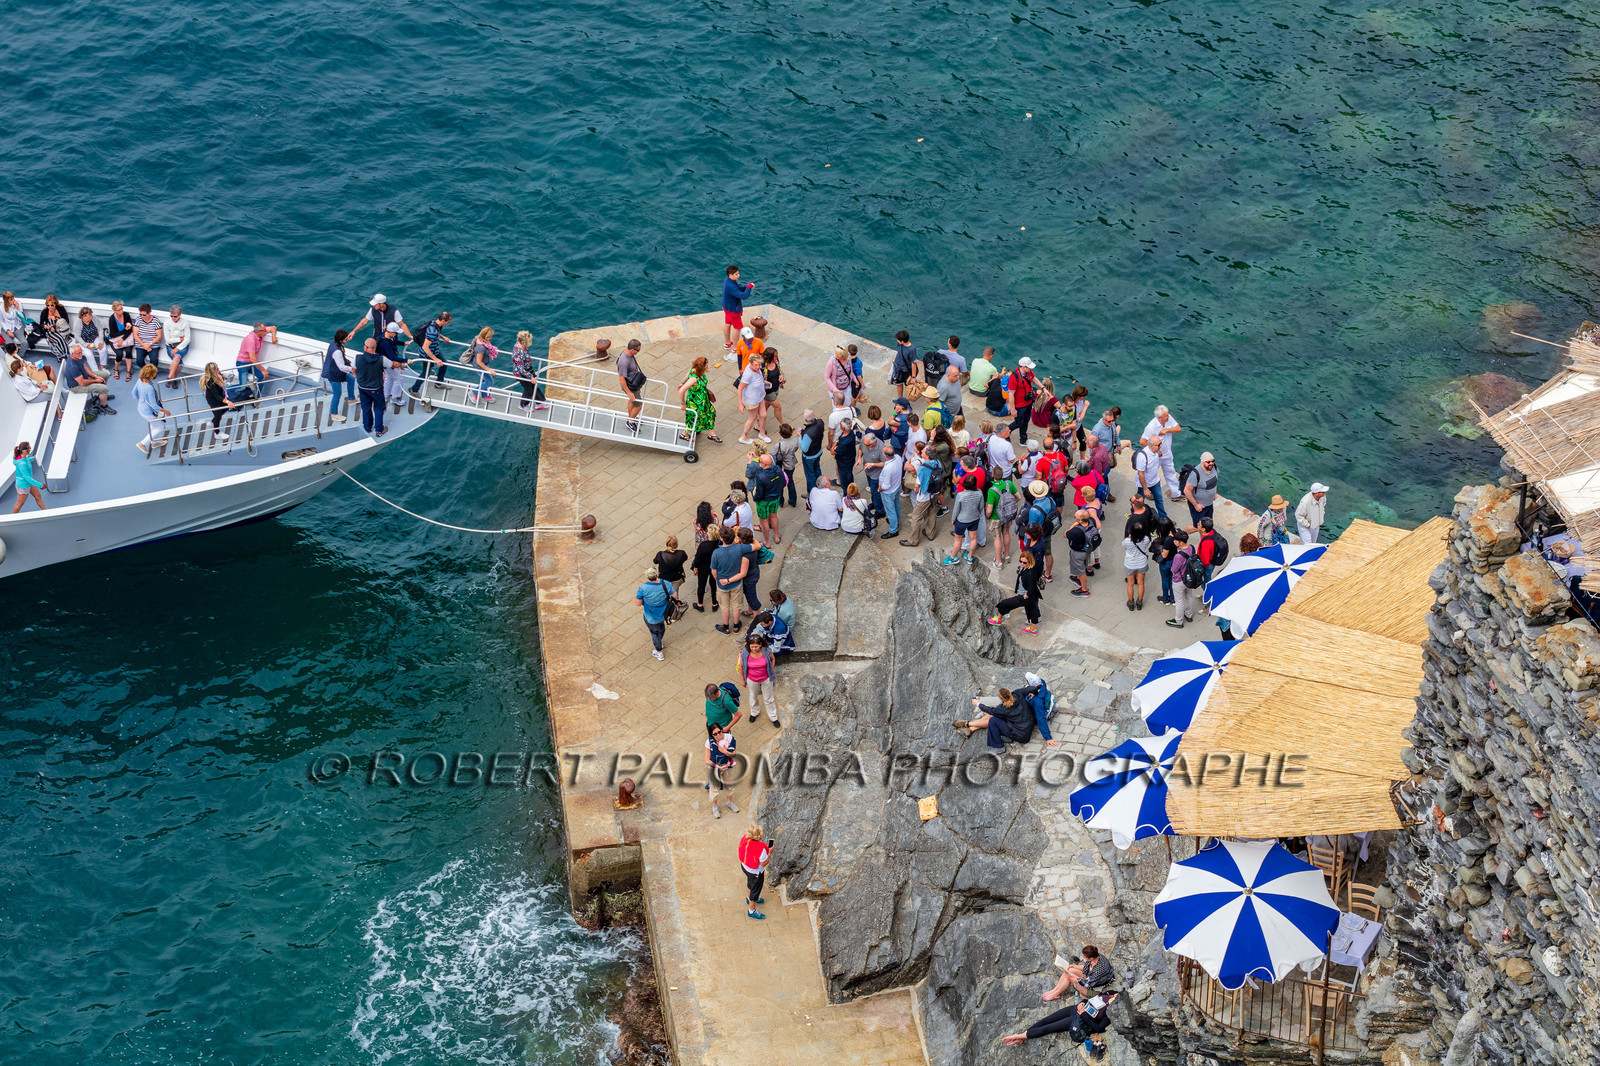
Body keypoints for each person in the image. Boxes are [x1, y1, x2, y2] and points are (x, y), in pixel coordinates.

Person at [1001, 991, 1120, 1053]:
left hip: (1077, 1020)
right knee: (1046, 1020)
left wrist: (1083, 1014)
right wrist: (1082, 1003)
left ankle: (1019, 1036)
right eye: (1116, 994)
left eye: (1117, 997)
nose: (1116, 995)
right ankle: (1023, 1035)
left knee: (1048, 1028)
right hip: (1074, 1009)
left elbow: (1099, 1028)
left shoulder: (1110, 1012)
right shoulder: (1109, 994)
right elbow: (1091, 999)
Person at [952, 688, 1053, 750]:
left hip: (1019, 735)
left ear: (1001, 698)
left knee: (993, 719)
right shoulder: (1018, 694)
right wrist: (1034, 693)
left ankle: (969, 725)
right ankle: (970, 729)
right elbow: (1033, 688)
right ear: (1009, 692)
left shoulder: (1003, 709)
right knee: (995, 714)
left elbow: (990, 710)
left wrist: (977, 704)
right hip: (1025, 726)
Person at [1217, 533, 1261, 640]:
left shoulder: (1238, 563)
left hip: (1238, 603)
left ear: (1242, 546)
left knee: (1228, 635)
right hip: (1254, 602)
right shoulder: (1262, 559)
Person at [898, 442, 942, 547]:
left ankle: (913, 540)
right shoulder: (937, 462)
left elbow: (917, 484)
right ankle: (930, 533)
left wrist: (915, 487)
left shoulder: (923, 468)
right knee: (932, 512)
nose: (921, 451)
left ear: (927, 455)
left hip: (924, 496)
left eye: (923, 451)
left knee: (916, 518)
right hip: (934, 492)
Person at [988, 550, 1042, 633]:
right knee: (1032, 610)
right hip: (1031, 595)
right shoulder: (1030, 568)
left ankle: (998, 619)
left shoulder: (1029, 573)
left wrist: (1026, 595)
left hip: (1025, 595)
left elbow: (1031, 586)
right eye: (1021, 561)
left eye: (1024, 562)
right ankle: (1033, 629)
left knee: (1005, 603)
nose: (1022, 564)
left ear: (1029, 562)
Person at [711, 526, 750, 635]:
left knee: (724, 607)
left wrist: (717, 579)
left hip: (722, 585)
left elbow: (714, 571)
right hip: (736, 583)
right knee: (736, 606)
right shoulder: (740, 548)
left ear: (721, 539)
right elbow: (756, 546)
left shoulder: (716, 553)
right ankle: (736, 627)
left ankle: (726, 627)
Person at [1045, 945, 1116, 1002]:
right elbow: (1087, 967)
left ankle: (1055, 994)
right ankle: (1054, 991)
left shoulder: (1099, 970)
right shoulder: (1097, 956)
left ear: (1091, 958)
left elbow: (1087, 984)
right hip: (1090, 978)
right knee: (1069, 970)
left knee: (1068, 977)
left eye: (1085, 957)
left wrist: (1073, 979)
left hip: (1093, 990)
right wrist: (1074, 966)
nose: (1083, 957)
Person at [408, 310, 454, 399]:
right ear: (443, 320)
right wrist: (436, 359)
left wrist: (443, 337)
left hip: (435, 351)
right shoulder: (432, 331)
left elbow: (436, 333)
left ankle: (439, 383)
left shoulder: (435, 322)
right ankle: (414, 390)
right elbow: (425, 347)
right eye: (448, 322)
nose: (449, 323)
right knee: (426, 373)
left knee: (444, 364)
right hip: (427, 354)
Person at [1141, 405, 1183, 499]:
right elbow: (1142, 441)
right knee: (1151, 474)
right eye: (1166, 416)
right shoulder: (1151, 427)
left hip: (1167, 453)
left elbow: (1178, 429)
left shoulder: (1168, 419)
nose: (1168, 416)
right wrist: (1156, 452)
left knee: (1171, 472)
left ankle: (1176, 494)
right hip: (1156, 456)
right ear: (1160, 418)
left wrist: (1167, 430)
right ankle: (1147, 492)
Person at [739, 634, 780, 726]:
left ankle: (773, 717)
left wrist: (771, 670)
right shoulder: (745, 653)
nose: (754, 649)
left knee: (769, 698)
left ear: (760, 644)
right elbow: (741, 666)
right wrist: (743, 679)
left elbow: (772, 659)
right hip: (752, 679)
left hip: (766, 678)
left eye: (756, 646)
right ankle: (754, 712)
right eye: (752, 647)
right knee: (753, 697)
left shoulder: (767, 650)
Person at [677, 355, 720, 443]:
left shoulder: (695, 370)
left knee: (710, 413)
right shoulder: (694, 379)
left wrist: (682, 383)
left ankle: (712, 433)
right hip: (695, 403)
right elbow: (681, 391)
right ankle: (684, 434)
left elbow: (686, 375)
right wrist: (683, 403)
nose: (707, 366)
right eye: (706, 365)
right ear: (702, 366)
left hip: (703, 401)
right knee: (694, 418)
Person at [635, 564, 673, 660]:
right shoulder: (665, 584)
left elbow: (638, 603)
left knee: (655, 633)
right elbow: (675, 595)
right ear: (657, 575)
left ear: (647, 577)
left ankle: (659, 652)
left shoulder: (643, 588)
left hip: (650, 616)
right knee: (661, 627)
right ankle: (660, 641)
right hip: (664, 613)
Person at [132, 364, 172, 456]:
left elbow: (134, 393)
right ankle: (143, 443)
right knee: (160, 427)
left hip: (141, 408)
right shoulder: (149, 388)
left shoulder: (139, 380)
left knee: (153, 425)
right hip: (148, 412)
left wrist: (140, 399)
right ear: (151, 375)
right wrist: (165, 411)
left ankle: (154, 443)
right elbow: (154, 405)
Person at [945, 474, 984, 564]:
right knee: (973, 538)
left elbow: (956, 509)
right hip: (974, 519)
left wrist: (953, 519)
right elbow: (981, 507)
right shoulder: (979, 493)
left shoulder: (960, 495)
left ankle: (952, 558)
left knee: (958, 539)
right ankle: (969, 557)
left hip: (961, 520)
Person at [692, 502, 723, 614]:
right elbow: (718, 526)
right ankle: (715, 603)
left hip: (703, 565)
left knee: (701, 585)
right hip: (714, 563)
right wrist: (715, 516)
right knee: (713, 584)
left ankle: (700, 604)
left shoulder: (697, 523)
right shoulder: (715, 522)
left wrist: (695, 567)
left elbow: (697, 559)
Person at [1023, 480, 1058, 583]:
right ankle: (1048, 574)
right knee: (1048, 554)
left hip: (1037, 537)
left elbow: (1031, 527)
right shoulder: (1051, 500)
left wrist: (1026, 540)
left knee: (1034, 558)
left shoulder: (1034, 510)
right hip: (1047, 533)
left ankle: (1033, 575)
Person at [986, 466, 1020, 567]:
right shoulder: (1009, 483)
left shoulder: (991, 491)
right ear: (1002, 475)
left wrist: (987, 516)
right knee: (1006, 533)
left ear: (992, 475)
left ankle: (998, 562)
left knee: (997, 538)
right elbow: (1018, 497)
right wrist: (1010, 506)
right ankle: (1007, 555)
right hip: (1008, 515)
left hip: (996, 517)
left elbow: (989, 510)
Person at [354, 337, 388, 437]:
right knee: (379, 408)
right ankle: (379, 429)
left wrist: (358, 377)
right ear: (375, 348)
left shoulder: (357, 358)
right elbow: (392, 364)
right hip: (376, 388)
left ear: (365, 347)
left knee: (366, 407)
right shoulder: (382, 359)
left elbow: (353, 369)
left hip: (363, 387)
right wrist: (401, 365)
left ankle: (367, 427)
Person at [320, 327, 355, 420]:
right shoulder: (337, 352)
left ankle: (351, 399)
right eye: (345, 339)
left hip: (336, 370)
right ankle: (334, 414)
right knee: (337, 394)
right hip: (334, 374)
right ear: (340, 340)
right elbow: (341, 367)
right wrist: (352, 369)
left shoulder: (334, 343)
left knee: (351, 379)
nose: (346, 340)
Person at [705, 723, 738, 819]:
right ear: (712, 735)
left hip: (728, 767)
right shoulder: (709, 742)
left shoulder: (730, 738)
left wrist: (725, 752)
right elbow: (707, 760)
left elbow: (734, 754)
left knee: (729, 785)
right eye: (715, 734)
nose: (718, 735)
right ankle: (715, 806)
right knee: (714, 788)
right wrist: (717, 766)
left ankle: (729, 802)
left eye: (719, 732)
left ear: (721, 730)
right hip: (714, 769)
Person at [750, 453, 785, 543]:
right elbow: (783, 482)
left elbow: (759, 493)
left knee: (764, 521)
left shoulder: (761, 476)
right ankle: (776, 536)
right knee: (774, 516)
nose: (759, 463)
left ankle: (767, 542)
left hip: (764, 501)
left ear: (764, 464)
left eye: (760, 461)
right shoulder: (778, 469)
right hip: (775, 498)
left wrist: (755, 499)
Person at [511, 330, 548, 414]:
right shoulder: (519, 353)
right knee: (528, 389)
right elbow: (521, 369)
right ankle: (523, 405)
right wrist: (530, 377)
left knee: (534, 386)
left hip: (528, 369)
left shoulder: (521, 346)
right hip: (521, 373)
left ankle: (540, 402)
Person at [737, 348, 769, 444]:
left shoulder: (757, 369)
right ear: (751, 363)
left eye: (759, 364)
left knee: (763, 415)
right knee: (753, 418)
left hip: (759, 396)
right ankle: (744, 436)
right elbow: (740, 388)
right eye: (756, 365)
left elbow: (758, 379)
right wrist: (740, 404)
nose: (759, 367)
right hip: (751, 400)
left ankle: (762, 433)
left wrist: (764, 383)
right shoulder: (748, 375)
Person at [739, 824, 770, 920]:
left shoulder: (745, 838)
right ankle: (751, 911)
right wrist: (769, 852)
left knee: (750, 883)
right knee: (755, 891)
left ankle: (749, 898)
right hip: (756, 872)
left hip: (745, 867)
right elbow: (763, 863)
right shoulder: (761, 848)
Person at [1167, 530, 1196, 628]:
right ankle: (1189, 615)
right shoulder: (1191, 548)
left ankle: (1178, 621)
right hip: (1189, 578)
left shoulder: (1178, 556)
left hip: (1179, 580)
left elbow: (1174, 569)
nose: (1174, 541)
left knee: (1179, 601)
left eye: (1176, 540)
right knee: (1189, 596)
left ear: (1181, 542)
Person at [1183, 452, 1219, 532]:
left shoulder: (1214, 468)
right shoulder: (1195, 474)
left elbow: (1215, 481)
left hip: (1209, 504)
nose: (1211, 463)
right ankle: (1181, 534)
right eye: (1208, 462)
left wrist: (1214, 493)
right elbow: (1186, 490)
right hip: (1199, 507)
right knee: (1197, 527)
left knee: (1206, 526)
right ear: (1203, 462)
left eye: (1213, 461)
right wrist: (1196, 505)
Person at [722, 265, 754, 351]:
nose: (738, 275)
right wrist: (749, 288)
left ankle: (727, 343)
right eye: (736, 274)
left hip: (727, 308)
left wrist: (746, 287)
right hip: (733, 311)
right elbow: (743, 296)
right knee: (737, 328)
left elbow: (737, 289)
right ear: (731, 275)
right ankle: (735, 348)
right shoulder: (731, 286)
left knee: (727, 324)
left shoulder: (727, 281)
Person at [236, 321, 277, 389]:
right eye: (264, 330)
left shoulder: (261, 332)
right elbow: (252, 358)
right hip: (243, 363)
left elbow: (273, 328)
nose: (266, 331)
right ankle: (225, 392)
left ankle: (256, 394)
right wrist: (263, 370)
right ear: (258, 332)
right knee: (242, 387)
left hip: (251, 364)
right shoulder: (251, 340)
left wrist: (273, 335)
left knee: (262, 377)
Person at [616, 338, 646, 432]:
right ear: (632, 349)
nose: (638, 352)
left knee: (632, 401)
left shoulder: (627, 353)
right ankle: (630, 421)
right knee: (638, 405)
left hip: (633, 383)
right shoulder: (624, 362)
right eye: (638, 350)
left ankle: (631, 417)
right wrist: (629, 392)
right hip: (630, 386)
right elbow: (621, 378)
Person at [1133, 437, 1167, 519]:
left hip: (1155, 481)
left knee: (1159, 499)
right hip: (1144, 484)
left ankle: (1164, 518)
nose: (1161, 446)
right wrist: (1145, 489)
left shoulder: (1156, 451)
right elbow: (1140, 474)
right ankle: (1133, 514)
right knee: (1139, 501)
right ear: (1151, 446)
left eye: (1161, 443)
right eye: (1159, 445)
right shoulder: (1143, 456)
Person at [464, 326, 498, 404]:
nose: (491, 338)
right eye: (489, 337)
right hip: (480, 367)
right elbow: (479, 362)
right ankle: (473, 392)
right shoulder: (482, 348)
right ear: (485, 336)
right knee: (489, 382)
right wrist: (489, 370)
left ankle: (484, 397)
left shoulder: (477, 338)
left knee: (484, 381)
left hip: (482, 364)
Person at [1008, 357, 1039, 444]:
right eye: (1029, 367)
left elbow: (1034, 378)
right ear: (1023, 367)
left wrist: (1043, 388)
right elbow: (1011, 394)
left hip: (1028, 403)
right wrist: (1013, 409)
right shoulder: (1014, 377)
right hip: (1019, 405)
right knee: (1018, 423)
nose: (1030, 369)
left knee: (1025, 421)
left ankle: (1023, 440)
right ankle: (1006, 430)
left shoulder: (1028, 373)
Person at [381, 322, 411, 409]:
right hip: (389, 363)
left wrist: (403, 343)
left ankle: (386, 395)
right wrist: (406, 360)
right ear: (391, 332)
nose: (396, 334)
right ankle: (395, 398)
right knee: (399, 378)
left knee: (389, 378)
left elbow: (394, 342)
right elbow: (392, 357)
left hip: (385, 363)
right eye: (396, 333)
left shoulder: (386, 336)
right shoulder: (385, 343)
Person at [104, 300, 136, 381]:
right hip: (115, 338)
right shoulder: (112, 319)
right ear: (115, 311)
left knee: (128, 352)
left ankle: (128, 371)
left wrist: (122, 338)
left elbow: (130, 330)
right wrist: (125, 330)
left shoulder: (126, 315)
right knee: (119, 354)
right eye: (119, 310)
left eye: (122, 309)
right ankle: (116, 369)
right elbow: (113, 334)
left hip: (126, 337)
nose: (121, 311)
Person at [877, 443, 904, 539]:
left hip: (888, 492)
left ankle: (893, 530)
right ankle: (896, 521)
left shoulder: (888, 468)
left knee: (890, 510)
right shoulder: (898, 458)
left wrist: (880, 489)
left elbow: (886, 485)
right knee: (897, 505)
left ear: (885, 456)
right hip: (897, 487)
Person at [1124, 518, 1151, 611]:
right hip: (1142, 563)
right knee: (1141, 583)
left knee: (1130, 584)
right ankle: (1139, 602)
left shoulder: (1127, 541)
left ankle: (1131, 602)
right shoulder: (1146, 539)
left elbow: (1124, 546)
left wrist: (1129, 537)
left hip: (1130, 563)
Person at [1065, 508, 1093, 597]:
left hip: (1078, 553)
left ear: (1080, 521)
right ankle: (1077, 578)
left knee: (1081, 571)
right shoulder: (1091, 522)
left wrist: (1073, 525)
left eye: (1075, 517)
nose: (1074, 518)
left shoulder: (1076, 531)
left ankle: (1084, 590)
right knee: (1081, 567)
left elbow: (1066, 534)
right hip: (1087, 550)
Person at [202, 362, 233, 441]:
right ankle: (217, 433)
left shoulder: (217, 375)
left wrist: (226, 377)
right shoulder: (211, 382)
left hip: (219, 395)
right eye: (216, 369)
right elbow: (216, 396)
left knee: (225, 408)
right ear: (213, 371)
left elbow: (220, 375)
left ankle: (212, 422)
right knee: (218, 414)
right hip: (213, 399)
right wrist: (228, 401)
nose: (218, 369)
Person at [129, 303, 165, 372]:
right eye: (140, 314)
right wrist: (144, 345)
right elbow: (135, 335)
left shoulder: (156, 321)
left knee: (154, 360)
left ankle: (152, 372)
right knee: (139, 361)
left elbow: (159, 336)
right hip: (141, 344)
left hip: (153, 344)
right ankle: (147, 371)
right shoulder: (138, 320)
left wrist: (149, 344)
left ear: (149, 312)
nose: (142, 316)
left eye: (144, 315)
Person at [12, 442, 47, 513]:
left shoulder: (23, 457)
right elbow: (28, 478)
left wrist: (33, 458)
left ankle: (46, 512)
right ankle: (12, 517)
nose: (30, 451)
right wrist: (40, 485)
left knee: (38, 496)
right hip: (23, 486)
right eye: (29, 450)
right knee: (19, 504)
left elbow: (27, 460)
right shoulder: (22, 464)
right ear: (25, 451)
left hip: (29, 483)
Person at [797, 410, 825, 494]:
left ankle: (812, 493)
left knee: (810, 475)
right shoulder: (820, 422)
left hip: (809, 456)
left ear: (806, 420)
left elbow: (804, 448)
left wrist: (800, 437)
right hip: (818, 451)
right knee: (817, 469)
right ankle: (821, 486)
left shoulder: (808, 434)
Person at [163, 305, 192, 387]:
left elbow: (187, 339)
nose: (173, 318)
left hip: (183, 346)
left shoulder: (185, 323)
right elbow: (168, 340)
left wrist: (177, 348)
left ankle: (169, 378)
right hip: (170, 346)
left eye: (175, 316)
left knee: (176, 358)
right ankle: (174, 378)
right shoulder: (166, 323)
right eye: (171, 316)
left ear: (179, 315)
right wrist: (180, 339)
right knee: (178, 360)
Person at [889, 329, 921, 399]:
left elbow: (913, 363)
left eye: (898, 340)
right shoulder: (899, 343)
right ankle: (900, 399)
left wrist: (913, 377)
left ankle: (906, 400)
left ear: (902, 341)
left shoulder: (912, 349)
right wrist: (896, 359)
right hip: (898, 367)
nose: (897, 341)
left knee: (908, 386)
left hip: (906, 370)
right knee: (899, 384)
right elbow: (899, 352)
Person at [75, 306, 107, 373]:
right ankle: (96, 371)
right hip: (84, 341)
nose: (91, 317)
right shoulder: (77, 323)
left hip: (94, 338)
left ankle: (102, 367)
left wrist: (101, 341)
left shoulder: (94, 318)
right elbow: (77, 337)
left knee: (103, 349)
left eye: (91, 315)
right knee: (89, 354)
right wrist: (86, 345)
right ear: (83, 317)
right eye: (89, 316)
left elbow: (100, 330)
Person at [774, 423, 799, 506]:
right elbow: (795, 449)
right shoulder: (795, 441)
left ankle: (780, 502)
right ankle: (793, 500)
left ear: (780, 433)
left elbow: (773, 455)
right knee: (790, 481)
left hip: (782, 467)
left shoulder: (778, 445)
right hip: (791, 465)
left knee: (780, 484)